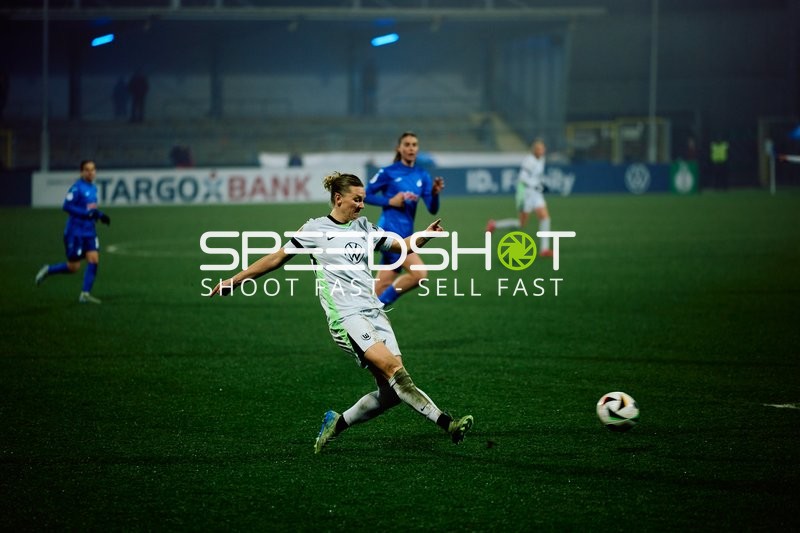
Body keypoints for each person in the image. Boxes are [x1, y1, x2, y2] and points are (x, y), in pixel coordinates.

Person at [209, 171, 473, 454]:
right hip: (346, 317)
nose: (362, 204)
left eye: (362, 200)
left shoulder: (363, 227)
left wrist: (424, 236)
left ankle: (337, 422)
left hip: (374, 312)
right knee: (397, 373)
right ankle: (448, 424)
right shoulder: (315, 230)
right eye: (356, 200)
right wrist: (234, 281)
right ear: (338, 198)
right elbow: (276, 258)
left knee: (391, 393)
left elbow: (399, 246)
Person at [365, 132, 445, 306]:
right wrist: (389, 201)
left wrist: (434, 194)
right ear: (399, 148)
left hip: (406, 236)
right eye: (407, 144)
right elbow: (365, 195)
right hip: (388, 233)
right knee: (419, 274)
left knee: (379, 289)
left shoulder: (422, 175)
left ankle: (368, 312)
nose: (411, 148)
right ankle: (377, 309)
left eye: (414, 145)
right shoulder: (388, 172)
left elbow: (432, 209)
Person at [35, 160, 111, 304]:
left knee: (94, 259)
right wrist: (85, 214)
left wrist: (101, 216)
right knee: (73, 267)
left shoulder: (93, 188)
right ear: (81, 172)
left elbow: (91, 210)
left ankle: (85, 294)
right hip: (75, 232)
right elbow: (67, 206)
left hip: (89, 231)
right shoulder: (77, 188)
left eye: (93, 169)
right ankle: (48, 270)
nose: (91, 172)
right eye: (87, 170)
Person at [486, 138, 553, 257]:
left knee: (545, 218)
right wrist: (537, 185)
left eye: (542, 149)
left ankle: (544, 249)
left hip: (536, 194)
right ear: (534, 150)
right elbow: (523, 178)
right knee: (521, 224)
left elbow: (537, 176)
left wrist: (541, 185)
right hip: (525, 193)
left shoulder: (541, 159)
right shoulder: (529, 161)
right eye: (539, 149)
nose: (541, 151)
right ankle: (495, 225)